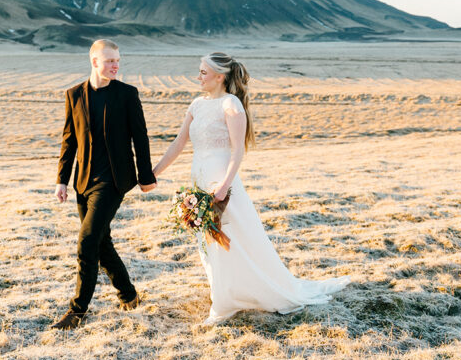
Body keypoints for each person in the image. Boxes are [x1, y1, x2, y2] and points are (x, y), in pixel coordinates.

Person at [153, 52, 350, 325]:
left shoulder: (230, 104)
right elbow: (178, 144)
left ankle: (224, 304)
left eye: (203, 72)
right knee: (207, 240)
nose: (198, 77)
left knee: (230, 236)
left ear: (220, 77)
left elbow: (237, 151)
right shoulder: (196, 105)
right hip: (199, 180)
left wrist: (223, 187)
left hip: (221, 183)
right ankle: (224, 292)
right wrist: (153, 174)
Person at [50, 39, 157, 330]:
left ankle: (77, 311)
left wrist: (145, 176)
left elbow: (140, 137)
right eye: (110, 60)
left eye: (118, 60)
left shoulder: (127, 94)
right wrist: (62, 179)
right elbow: (69, 140)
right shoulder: (73, 95)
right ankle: (129, 295)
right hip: (83, 182)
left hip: (113, 181)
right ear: (94, 61)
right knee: (101, 241)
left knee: (87, 241)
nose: (115, 65)